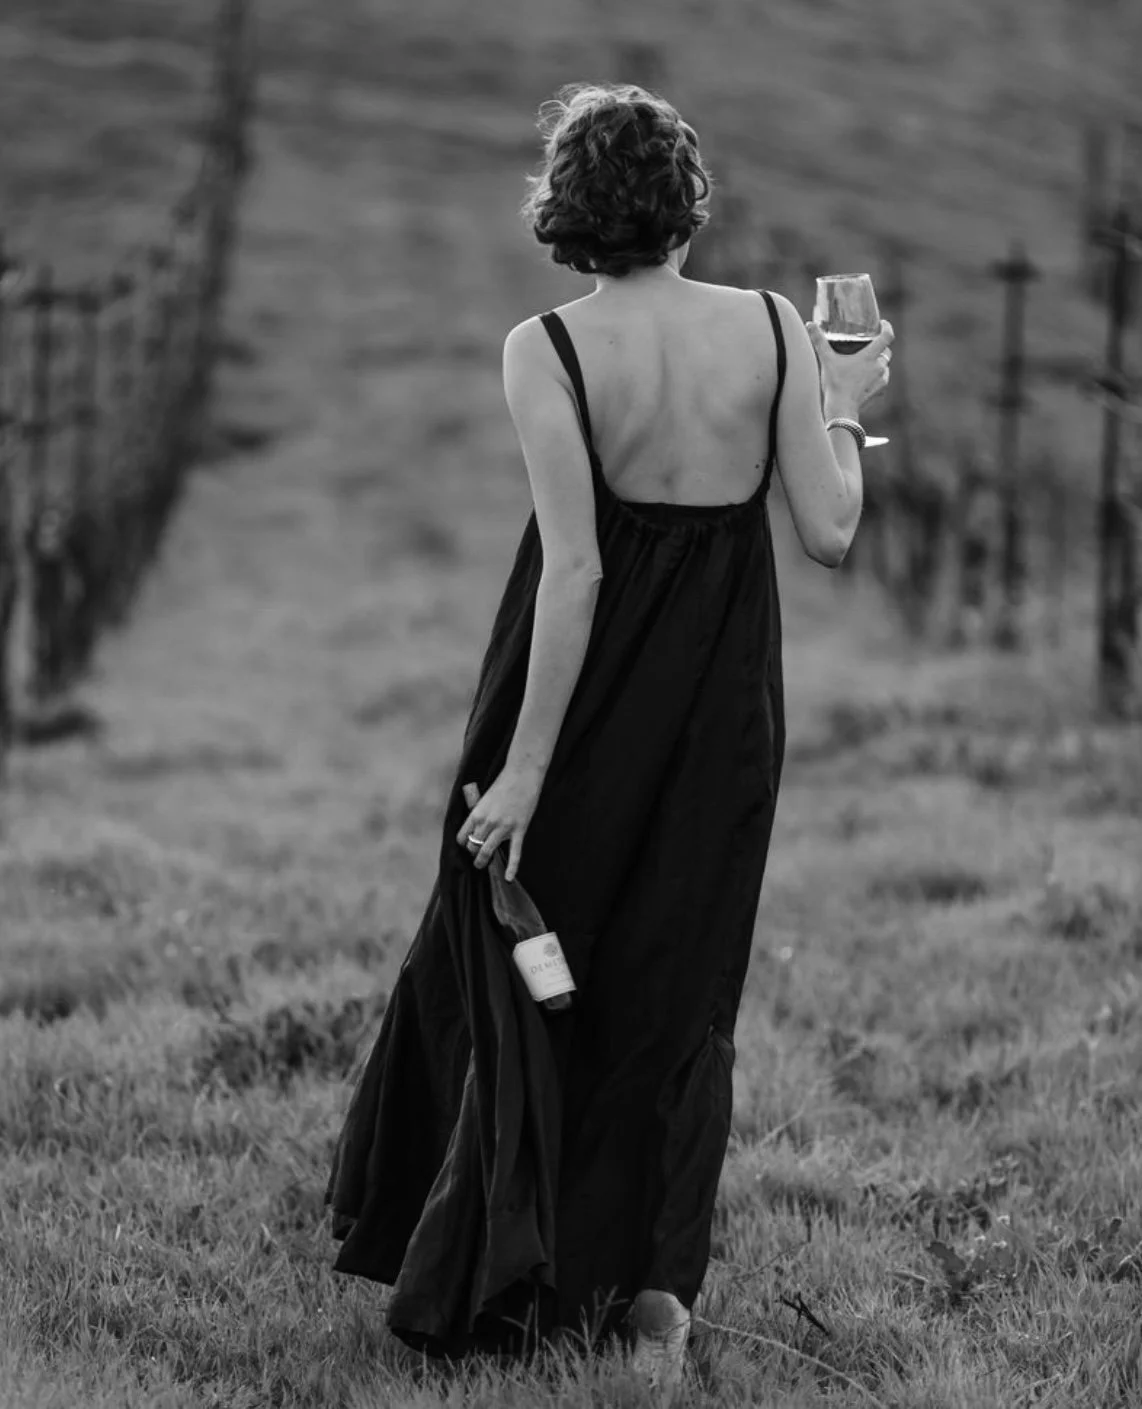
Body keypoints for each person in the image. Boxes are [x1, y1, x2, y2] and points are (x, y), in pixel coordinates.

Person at [324, 81, 893, 1401]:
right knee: (679, 986)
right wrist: (844, 402)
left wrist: (524, 770)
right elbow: (829, 530)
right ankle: (650, 1303)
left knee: (525, 956)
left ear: (568, 210)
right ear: (687, 205)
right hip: (720, 704)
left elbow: (574, 571)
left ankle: (501, 1265)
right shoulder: (773, 328)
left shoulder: (545, 349)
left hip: (570, 702)